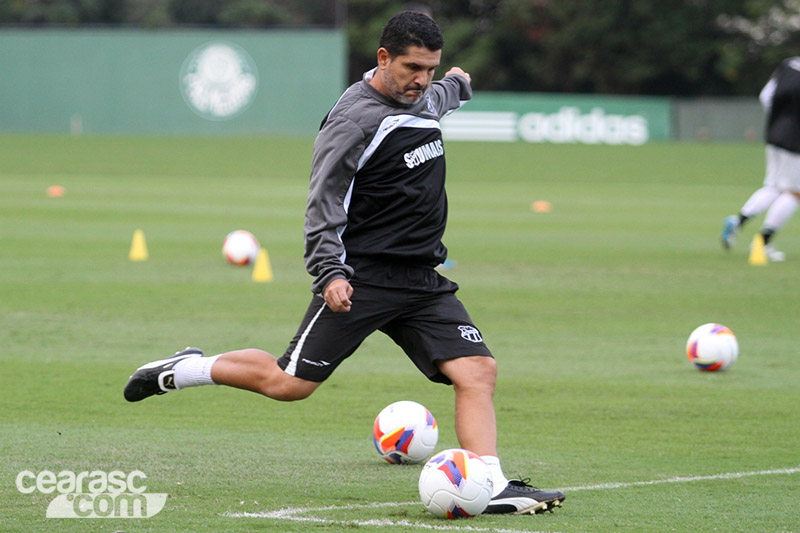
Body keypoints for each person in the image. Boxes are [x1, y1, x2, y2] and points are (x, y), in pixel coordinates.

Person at [124, 10, 565, 515]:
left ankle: (489, 483)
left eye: (431, 69)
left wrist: (458, 83)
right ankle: (186, 368)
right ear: (383, 58)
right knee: (290, 383)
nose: (422, 80)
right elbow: (323, 203)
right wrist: (330, 271)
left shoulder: (422, 97)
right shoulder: (355, 122)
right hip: (362, 280)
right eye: (412, 68)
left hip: (421, 280)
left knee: (478, 371)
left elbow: (441, 96)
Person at [721, 57, 800, 261]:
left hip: (776, 133)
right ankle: (763, 241)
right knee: (794, 193)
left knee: (774, 186)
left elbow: (765, 96)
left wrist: (779, 120)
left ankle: (738, 221)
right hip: (795, 140)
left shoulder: (789, 64)